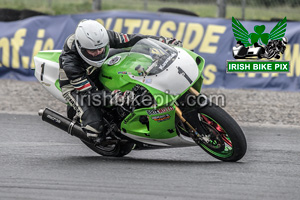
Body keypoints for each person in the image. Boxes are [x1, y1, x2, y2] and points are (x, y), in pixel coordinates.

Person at [59, 19, 182, 141]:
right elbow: (88, 93)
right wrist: (115, 97)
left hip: (96, 69)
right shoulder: (70, 63)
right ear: (81, 48)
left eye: (101, 49)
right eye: (93, 51)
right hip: (75, 87)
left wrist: (163, 41)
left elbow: (133, 39)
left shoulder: (104, 38)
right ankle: (91, 128)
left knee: (132, 52)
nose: (98, 53)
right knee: (95, 130)